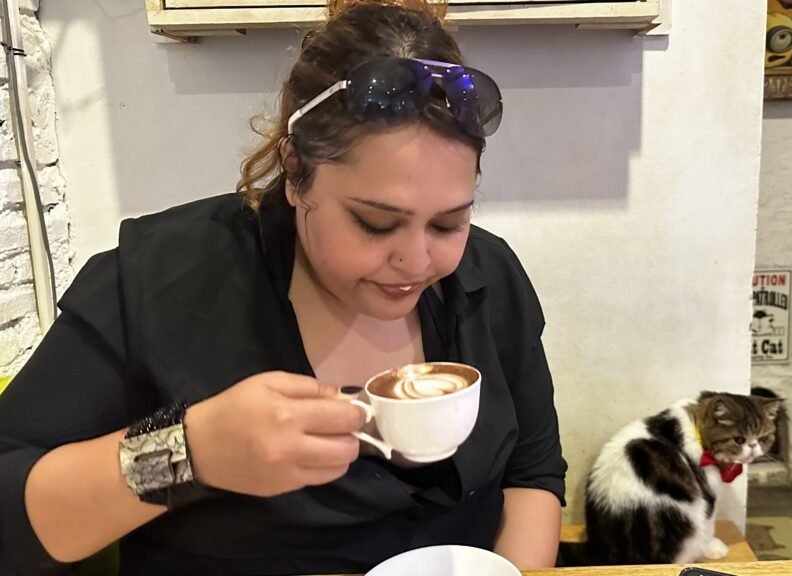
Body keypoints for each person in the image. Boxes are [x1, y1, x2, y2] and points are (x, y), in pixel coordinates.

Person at [0, 0, 567, 573]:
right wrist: (189, 452)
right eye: (375, 222)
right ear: (295, 172)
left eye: (449, 222)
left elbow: (533, 474)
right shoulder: (164, 280)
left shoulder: (489, 278)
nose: (416, 261)